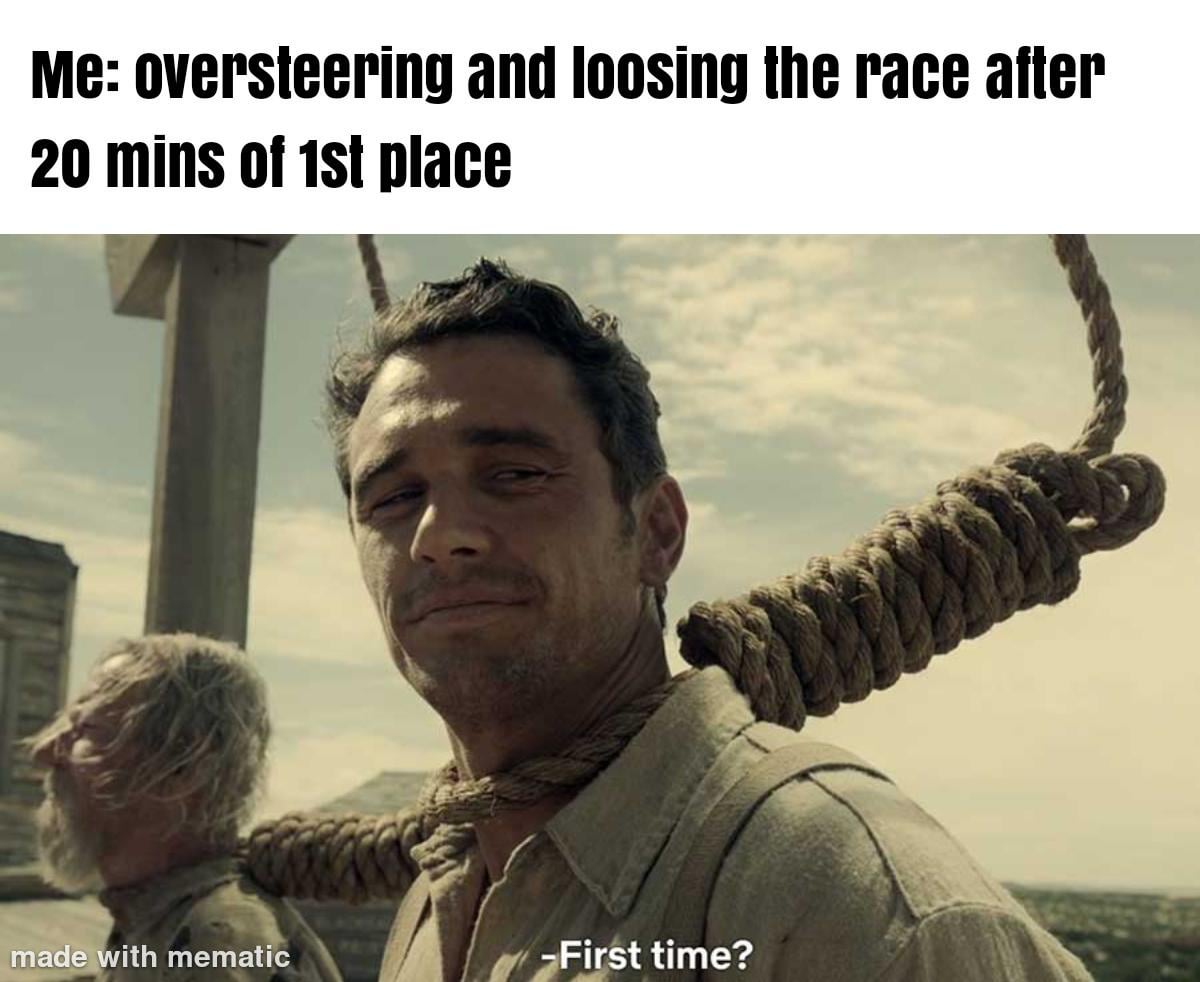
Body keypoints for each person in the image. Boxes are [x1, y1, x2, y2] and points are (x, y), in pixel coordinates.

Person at [324, 259, 1092, 980]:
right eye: (394, 497)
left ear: (656, 533)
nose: (439, 535)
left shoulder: (846, 904)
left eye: (515, 474)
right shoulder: (436, 901)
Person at [28, 633, 343, 982]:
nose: (44, 753)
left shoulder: (220, 948)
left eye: (86, 729)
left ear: (185, 769)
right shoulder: (159, 919)